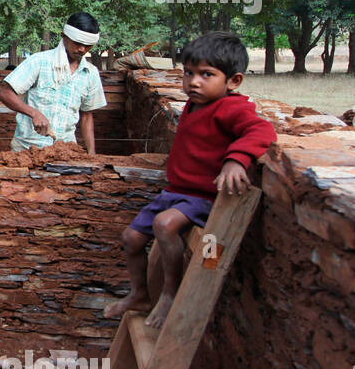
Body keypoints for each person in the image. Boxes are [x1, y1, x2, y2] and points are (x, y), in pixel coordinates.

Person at [105, 32, 277, 327]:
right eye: (188, 73)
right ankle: (140, 293)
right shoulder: (193, 105)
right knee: (131, 238)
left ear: (233, 81)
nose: (193, 81)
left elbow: (262, 132)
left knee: (164, 225)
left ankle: (170, 294)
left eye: (206, 74)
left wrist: (236, 160)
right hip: (175, 193)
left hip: (204, 198)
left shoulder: (231, 108)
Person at [0, 13, 107, 154]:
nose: (82, 49)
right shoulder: (39, 62)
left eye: (88, 46)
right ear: (64, 36)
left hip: (66, 152)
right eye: (78, 43)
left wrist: (91, 154)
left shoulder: (90, 73)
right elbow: (5, 93)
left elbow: (86, 116)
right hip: (28, 149)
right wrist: (34, 113)